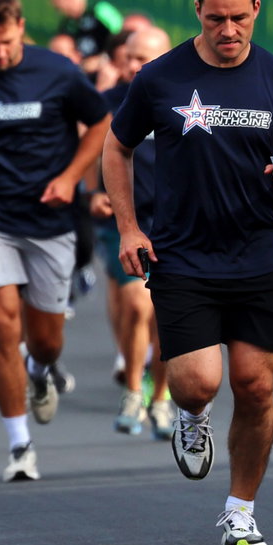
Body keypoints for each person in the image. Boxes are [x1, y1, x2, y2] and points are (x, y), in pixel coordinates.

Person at [104, 0, 273, 545]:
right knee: (199, 383)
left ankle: (240, 511)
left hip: (258, 256)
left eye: (238, 18)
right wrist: (129, 227)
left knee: (255, 388)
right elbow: (116, 146)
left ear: (256, 9)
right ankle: (191, 416)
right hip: (182, 257)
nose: (228, 31)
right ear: (197, 10)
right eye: (215, 19)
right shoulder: (161, 78)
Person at [0, 0, 111, 482]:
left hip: (48, 221)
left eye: (7, 42)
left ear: (21, 28)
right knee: (1, 324)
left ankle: (41, 371)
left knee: (46, 339)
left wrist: (72, 177)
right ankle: (20, 445)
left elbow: (101, 120)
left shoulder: (56, 71)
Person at [89, 25, 175, 438]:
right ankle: (132, 392)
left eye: (145, 58)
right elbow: (91, 150)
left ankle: (161, 396)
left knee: (164, 317)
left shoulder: (184, 100)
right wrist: (92, 192)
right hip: (125, 223)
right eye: (130, 57)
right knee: (138, 308)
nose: (135, 65)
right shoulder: (109, 102)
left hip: (175, 226)